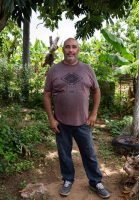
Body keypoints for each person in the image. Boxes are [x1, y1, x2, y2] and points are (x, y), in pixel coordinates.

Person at [43, 38, 110, 199]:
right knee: (64, 154)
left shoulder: (87, 69)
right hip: (61, 123)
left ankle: (95, 182)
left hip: (83, 123)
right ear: (63, 50)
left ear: (78, 50)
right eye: (67, 47)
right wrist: (51, 119)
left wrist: (93, 114)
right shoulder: (54, 70)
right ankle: (67, 180)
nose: (70, 50)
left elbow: (97, 91)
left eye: (74, 47)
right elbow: (46, 94)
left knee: (89, 153)